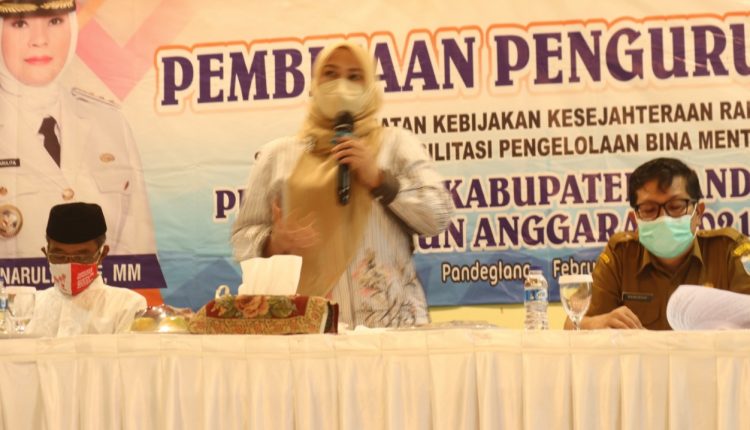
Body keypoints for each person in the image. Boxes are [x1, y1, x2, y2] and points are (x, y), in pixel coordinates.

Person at [231, 41, 453, 328]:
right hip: (307, 328)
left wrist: (380, 180)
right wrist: (272, 242)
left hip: (391, 327)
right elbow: (242, 237)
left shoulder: (396, 145)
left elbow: (438, 216)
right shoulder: (278, 156)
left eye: (354, 76)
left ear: (370, 86)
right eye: (331, 74)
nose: (341, 85)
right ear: (315, 83)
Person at [0, 0, 157, 259]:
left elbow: (139, 255)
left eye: (54, 21)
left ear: (72, 27)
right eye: (19, 24)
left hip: (102, 287)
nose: (39, 40)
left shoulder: (110, 123)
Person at [566, 157, 750, 330]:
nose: (664, 218)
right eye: (649, 209)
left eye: (676, 207)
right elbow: (570, 323)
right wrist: (601, 322)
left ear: (699, 213)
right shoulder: (620, 255)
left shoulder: (729, 250)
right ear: (635, 218)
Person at [28, 202, 146, 337]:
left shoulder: (128, 305)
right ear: (46, 254)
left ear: (102, 254)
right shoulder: (29, 307)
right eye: (59, 256)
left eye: (81, 257)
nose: (70, 264)